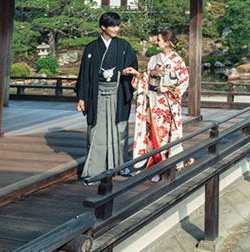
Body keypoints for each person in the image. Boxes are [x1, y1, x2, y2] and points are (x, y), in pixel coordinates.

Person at [75, 12, 139, 182]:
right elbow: (84, 75)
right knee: (96, 131)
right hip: (96, 94)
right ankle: (94, 170)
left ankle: (120, 166)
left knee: (119, 130)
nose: (117, 29)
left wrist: (130, 71)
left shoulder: (124, 46)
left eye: (118, 25)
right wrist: (82, 98)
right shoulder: (91, 48)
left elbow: (133, 64)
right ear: (103, 27)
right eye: (113, 26)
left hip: (117, 92)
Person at [131, 28, 190, 181]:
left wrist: (168, 89)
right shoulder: (154, 59)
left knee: (168, 135)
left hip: (169, 105)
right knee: (154, 135)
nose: (156, 42)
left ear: (168, 42)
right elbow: (146, 77)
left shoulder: (178, 61)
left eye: (159, 40)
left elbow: (184, 82)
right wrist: (136, 74)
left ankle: (169, 165)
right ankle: (155, 167)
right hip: (154, 102)